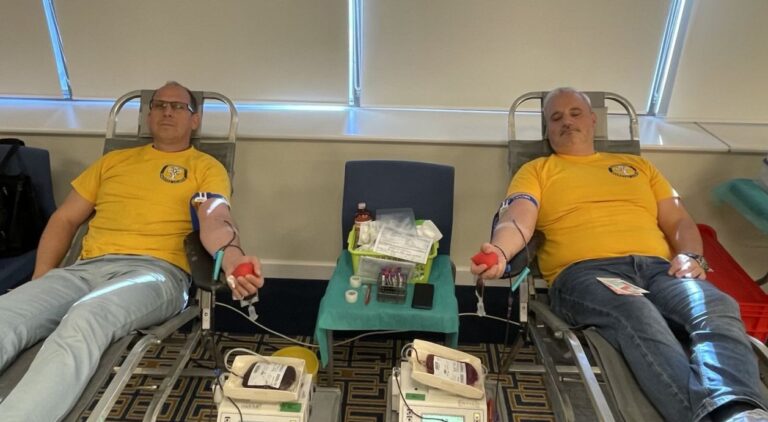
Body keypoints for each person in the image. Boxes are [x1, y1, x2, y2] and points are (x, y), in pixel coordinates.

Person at [471, 87, 768, 422]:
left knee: (716, 305)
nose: (566, 121)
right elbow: (517, 219)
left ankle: (739, 411)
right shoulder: (537, 170)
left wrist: (691, 256)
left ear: (593, 120)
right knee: (636, 312)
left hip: (661, 271)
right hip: (587, 274)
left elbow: (679, 220)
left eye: (575, 113)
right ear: (548, 130)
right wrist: (500, 250)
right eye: (555, 118)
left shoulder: (639, 166)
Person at [0, 81, 263, 421]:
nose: (167, 111)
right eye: (159, 105)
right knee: (8, 313)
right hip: (85, 270)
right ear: (148, 115)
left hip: (154, 274)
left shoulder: (205, 166)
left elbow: (215, 219)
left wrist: (234, 260)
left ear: (195, 120)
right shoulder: (113, 162)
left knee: (86, 319)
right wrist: (41, 279)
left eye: (178, 106)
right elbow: (65, 219)